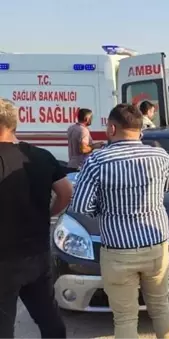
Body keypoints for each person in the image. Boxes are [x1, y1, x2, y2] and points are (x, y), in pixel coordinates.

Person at [69, 103, 169, 339]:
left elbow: (81, 206)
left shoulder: (97, 161)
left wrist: (106, 209)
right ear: (140, 129)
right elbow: (168, 187)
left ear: (111, 128)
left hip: (118, 251)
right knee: (160, 308)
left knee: (125, 318)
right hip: (156, 245)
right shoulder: (160, 155)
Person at [0, 98, 73, 339]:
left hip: (4, 259)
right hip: (37, 254)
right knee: (49, 319)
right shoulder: (41, 156)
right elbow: (65, 192)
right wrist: (49, 212)